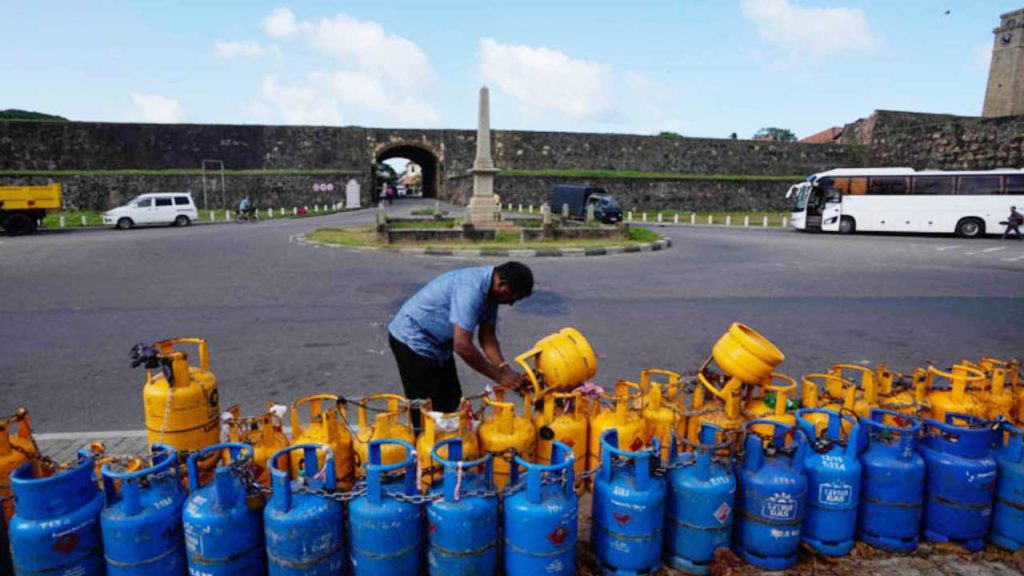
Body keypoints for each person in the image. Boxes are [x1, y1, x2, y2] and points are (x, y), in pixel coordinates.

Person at [387, 262, 534, 418]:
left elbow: (488, 338)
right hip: (412, 340)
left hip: (439, 346)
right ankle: (425, 440)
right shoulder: (471, 289)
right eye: (512, 297)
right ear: (502, 283)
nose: (511, 303)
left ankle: (447, 436)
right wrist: (499, 377)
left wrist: (505, 369)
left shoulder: (492, 294)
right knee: (427, 408)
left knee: (450, 398)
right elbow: (462, 345)